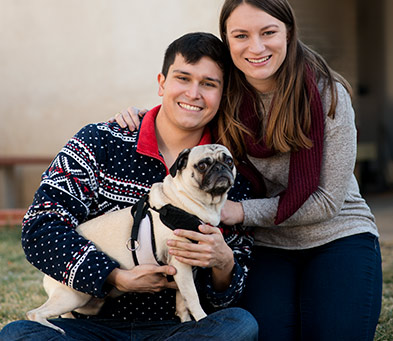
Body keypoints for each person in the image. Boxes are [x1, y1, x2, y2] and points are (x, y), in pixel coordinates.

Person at [114, 0, 383, 341]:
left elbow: (326, 202)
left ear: (288, 31)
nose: (256, 48)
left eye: (268, 32)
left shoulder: (327, 95)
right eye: (241, 35)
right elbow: (188, 105)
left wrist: (238, 212)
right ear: (227, 40)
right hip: (268, 243)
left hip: (337, 233)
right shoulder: (226, 93)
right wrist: (142, 115)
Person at [0, 32, 258, 341]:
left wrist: (223, 262)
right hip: (90, 326)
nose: (194, 93)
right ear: (162, 82)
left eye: (209, 84)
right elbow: (41, 228)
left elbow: (228, 296)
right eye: (183, 78)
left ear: (222, 94)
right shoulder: (99, 142)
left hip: (178, 329)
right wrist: (115, 276)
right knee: (18, 334)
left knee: (240, 325)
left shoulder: (229, 171)